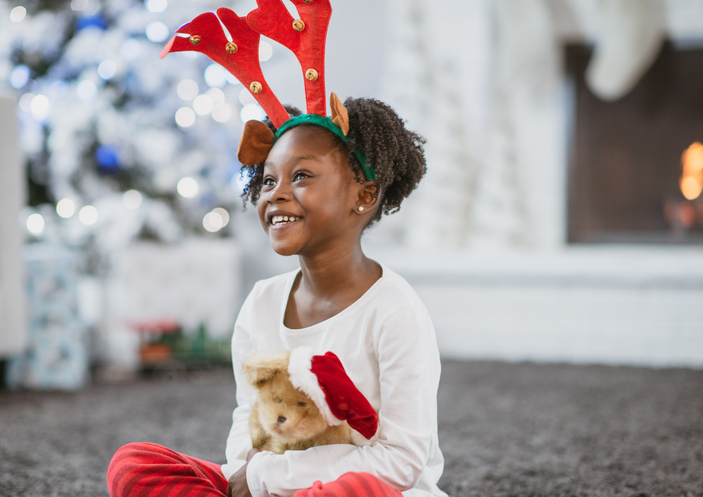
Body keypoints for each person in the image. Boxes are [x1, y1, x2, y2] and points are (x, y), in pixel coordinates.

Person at [106, 96, 447, 497]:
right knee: (132, 464)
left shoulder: (395, 311)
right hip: (266, 484)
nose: (276, 194)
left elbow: (400, 462)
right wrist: (245, 473)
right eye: (268, 180)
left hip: (367, 489)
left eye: (301, 176)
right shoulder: (261, 302)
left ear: (364, 196)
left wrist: (264, 476)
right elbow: (246, 418)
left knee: (354, 492)